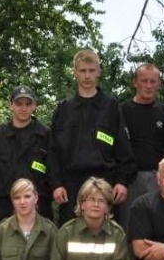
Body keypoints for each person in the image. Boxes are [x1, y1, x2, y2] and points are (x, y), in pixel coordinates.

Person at [49, 50, 135, 223]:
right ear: (74, 72)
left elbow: (123, 149)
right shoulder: (64, 109)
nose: (87, 76)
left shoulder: (111, 107)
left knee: (106, 239)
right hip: (71, 186)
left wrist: (122, 182)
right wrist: (56, 184)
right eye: (82, 71)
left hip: (105, 183)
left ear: (98, 71)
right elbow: (53, 152)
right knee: (70, 239)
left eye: (91, 70)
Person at [0, 86, 53, 226]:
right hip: (5, 205)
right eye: (19, 104)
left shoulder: (45, 135)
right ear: (11, 105)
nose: (23, 108)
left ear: (34, 106)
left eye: (28, 104)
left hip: (39, 204)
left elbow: (54, 169)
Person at [119, 63, 164, 226]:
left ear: (159, 84)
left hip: (158, 178)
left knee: (159, 225)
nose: (148, 86)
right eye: (144, 81)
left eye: (153, 81)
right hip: (130, 180)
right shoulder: (121, 110)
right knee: (130, 225)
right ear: (135, 82)